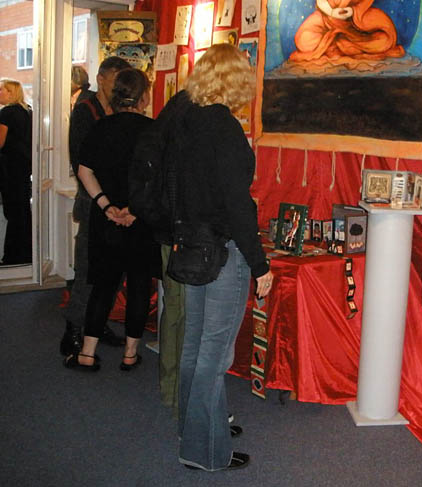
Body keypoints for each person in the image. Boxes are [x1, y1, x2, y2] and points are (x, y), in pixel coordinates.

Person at [167, 43, 273, 472]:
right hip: (224, 252)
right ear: (235, 80)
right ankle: (204, 452)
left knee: (195, 347)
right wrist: (260, 263)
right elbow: (237, 204)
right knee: (214, 354)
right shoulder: (224, 127)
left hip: (193, 246)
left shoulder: (186, 121)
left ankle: (193, 429)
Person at [63, 68, 160, 372]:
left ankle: (87, 353)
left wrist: (107, 206)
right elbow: (158, 180)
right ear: (144, 97)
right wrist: (134, 209)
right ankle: (130, 354)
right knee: (139, 286)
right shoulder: (154, 131)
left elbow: (84, 171)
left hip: (106, 220)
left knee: (103, 285)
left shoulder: (100, 128)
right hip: (140, 221)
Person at [60, 56, 130, 357]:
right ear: (101, 79)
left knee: (114, 271)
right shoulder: (85, 111)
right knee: (88, 270)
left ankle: (97, 323)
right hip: (93, 202)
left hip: (117, 201)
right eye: (116, 79)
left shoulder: (119, 110)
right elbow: (81, 160)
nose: (119, 86)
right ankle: (74, 330)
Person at [290, 0, 404, 65]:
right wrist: (331, 12)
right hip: (328, 18)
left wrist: (353, 11)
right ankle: (339, 43)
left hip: (359, 19)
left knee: (386, 38)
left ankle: (342, 43)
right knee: (303, 40)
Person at [0, 78, 32, 265]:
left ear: (11, 92)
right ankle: (25, 253)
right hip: (24, 166)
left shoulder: (6, 113)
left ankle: (12, 257)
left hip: (9, 168)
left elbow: (0, 142)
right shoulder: (27, 111)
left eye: (1, 90)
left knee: (13, 212)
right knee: (22, 211)